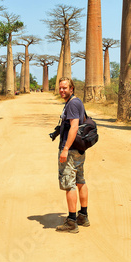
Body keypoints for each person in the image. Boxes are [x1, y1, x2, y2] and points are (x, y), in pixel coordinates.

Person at [56, 77, 90, 233]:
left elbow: (74, 126)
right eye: (60, 88)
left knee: (69, 184)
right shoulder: (76, 102)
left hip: (70, 150)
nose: (62, 90)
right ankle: (83, 215)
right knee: (79, 180)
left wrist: (65, 148)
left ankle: (71, 221)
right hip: (79, 150)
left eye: (65, 88)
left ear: (72, 88)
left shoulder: (72, 104)